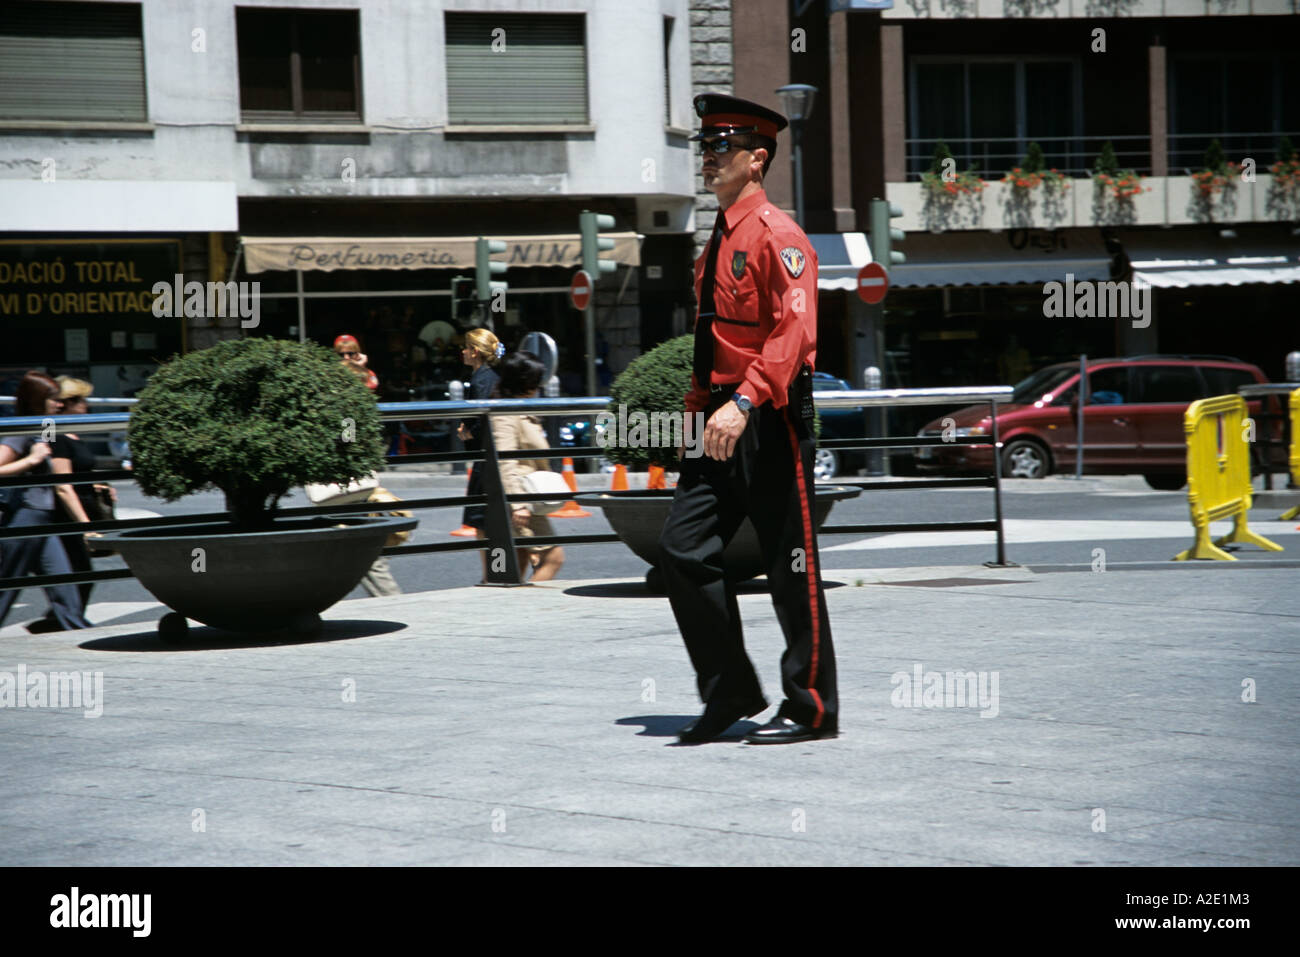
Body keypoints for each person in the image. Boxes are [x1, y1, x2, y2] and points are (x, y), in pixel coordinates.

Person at [657, 93, 838, 745]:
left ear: (756, 160)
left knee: (790, 565)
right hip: (719, 416)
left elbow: (794, 333)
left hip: (770, 417)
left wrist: (743, 400)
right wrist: (699, 402)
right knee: (681, 549)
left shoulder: (779, 237)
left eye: (719, 148)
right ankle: (730, 686)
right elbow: (715, 332)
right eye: (701, 147)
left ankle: (813, 705)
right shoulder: (720, 238)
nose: (706, 159)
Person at [0, 371, 93, 632]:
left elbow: (56, 462)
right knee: (7, 586)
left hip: (45, 518)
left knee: (64, 584)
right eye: (53, 399)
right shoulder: (22, 427)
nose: (59, 404)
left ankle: (75, 628)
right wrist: (29, 461)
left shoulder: (46, 425)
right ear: (37, 398)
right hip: (24, 518)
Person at [25, 377, 115, 632]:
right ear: (64, 404)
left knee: (79, 574)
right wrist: (85, 527)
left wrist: (99, 485)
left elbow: (77, 472)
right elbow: (63, 485)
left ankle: (59, 619)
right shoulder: (58, 434)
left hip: (78, 510)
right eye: (80, 400)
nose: (86, 405)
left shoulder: (72, 432)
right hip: (65, 517)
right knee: (80, 574)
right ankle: (62, 621)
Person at [480, 351, 564, 582]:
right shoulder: (506, 413)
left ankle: (502, 605)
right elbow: (505, 460)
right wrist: (519, 505)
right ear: (524, 382)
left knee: (516, 562)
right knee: (552, 557)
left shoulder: (518, 407)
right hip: (520, 498)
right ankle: (530, 610)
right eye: (536, 380)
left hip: (524, 498)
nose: (539, 386)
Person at [457, 328, 504, 533]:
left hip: (485, 458)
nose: (463, 352)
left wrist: (469, 433)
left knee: (482, 523)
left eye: (466, 348)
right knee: (487, 524)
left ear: (474, 351)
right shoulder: (487, 376)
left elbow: (485, 415)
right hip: (488, 454)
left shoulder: (482, 379)